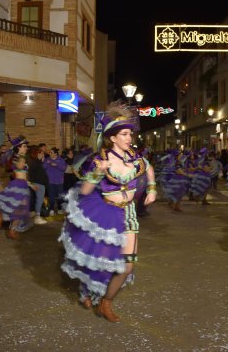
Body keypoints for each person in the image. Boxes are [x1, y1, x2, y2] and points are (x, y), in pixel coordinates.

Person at [59, 103, 156, 322]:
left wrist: (152, 188)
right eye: (124, 134)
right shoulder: (99, 160)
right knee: (102, 261)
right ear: (113, 137)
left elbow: (148, 167)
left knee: (127, 265)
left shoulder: (134, 157)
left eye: (130, 133)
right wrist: (96, 173)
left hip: (128, 214)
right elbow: (85, 190)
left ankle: (106, 302)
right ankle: (88, 288)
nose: (130, 137)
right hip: (106, 214)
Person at [0, 136, 39, 239]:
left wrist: (31, 185)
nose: (26, 148)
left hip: (24, 185)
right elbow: (18, 168)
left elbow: (24, 174)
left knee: (22, 210)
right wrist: (21, 160)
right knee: (19, 208)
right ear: (19, 147)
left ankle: (11, 229)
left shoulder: (21, 157)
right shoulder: (17, 158)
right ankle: (4, 217)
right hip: (18, 185)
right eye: (25, 146)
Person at [27, 146, 48, 225]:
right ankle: (37, 217)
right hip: (38, 183)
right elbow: (34, 174)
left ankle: (36, 215)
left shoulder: (35, 162)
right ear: (37, 154)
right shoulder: (35, 163)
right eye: (42, 153)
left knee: (38, 200)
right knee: (39, 200)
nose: (43, 155)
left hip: (38, 183)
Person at [44, 147, 67, 216]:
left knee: (60, 197)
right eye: (50, 152)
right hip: (50, 181)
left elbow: (63, 168)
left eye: (51, 153)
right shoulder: (47, 160)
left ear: (56, 154)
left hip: (59, 182)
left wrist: (55, 164)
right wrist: (47, 163)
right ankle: (51, 209)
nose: (50, 154)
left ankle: (60, 209)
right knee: (51, 196)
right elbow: (43, 167)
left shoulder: (61, 160)